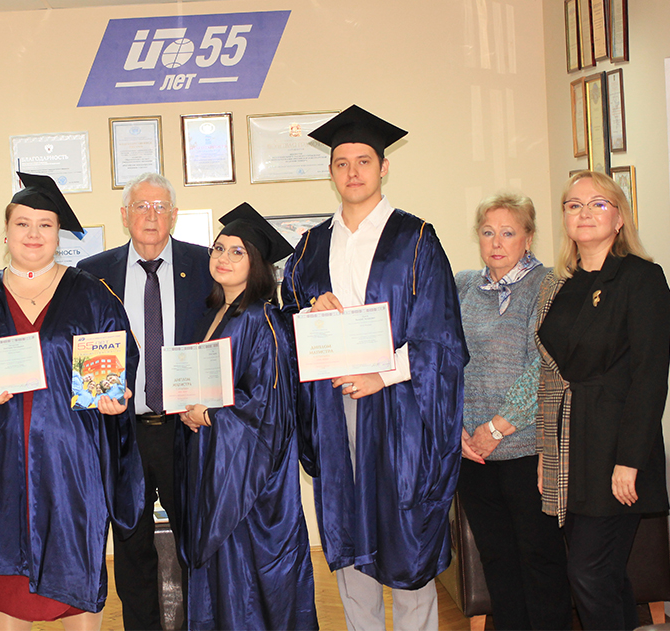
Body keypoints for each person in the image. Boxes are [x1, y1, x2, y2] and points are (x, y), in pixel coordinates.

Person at [281, 105, 468, 631]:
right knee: (348, 531)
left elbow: (441, 336)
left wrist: (380, 375)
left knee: (405, 533)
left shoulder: (416, 238)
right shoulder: (312, 244)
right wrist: (309, 308)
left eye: (364, 161)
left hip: (402, 406)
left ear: (384, 167)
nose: (353, 172)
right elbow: (286, 315)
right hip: (333, 405)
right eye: (342, 163)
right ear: (331, 172)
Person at [0, 172, 144, 631]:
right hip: (0, 471)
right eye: (22, 224)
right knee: (8, 586)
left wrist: (115, 399)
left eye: (45, 224)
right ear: (6, 232)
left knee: (77, 576)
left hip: (71, 470)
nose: (33, 234)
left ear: (58, 233)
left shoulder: (92, 296)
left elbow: (120, 361)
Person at [535, 170, 669, 630]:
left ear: (619, 218)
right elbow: (551, 376)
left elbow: (650, 377)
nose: (585, 213)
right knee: (604, 573)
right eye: (574, 205)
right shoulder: (561, 284)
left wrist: (629, 460)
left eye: (598, 204)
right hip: (572, 446)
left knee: (588, 572)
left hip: (617, 447)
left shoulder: (642, 278)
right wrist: (547, 453)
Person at [77, 172, 212, 630]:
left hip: (185, 429)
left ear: (173, 215)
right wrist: (96, 392)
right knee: (131, 545)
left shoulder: (205, 264)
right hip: (123, 432)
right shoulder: (92, 272)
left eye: (160, 207)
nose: (151, 216)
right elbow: (80, 343)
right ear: (124, 215)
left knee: (196, 541)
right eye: (141, 206)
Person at [175, 203, 317, 630]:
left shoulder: (263, 320)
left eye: (237, 251)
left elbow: (269, 410)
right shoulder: (215, 313)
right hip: (215, 467)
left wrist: (210, 416)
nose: (224, 257)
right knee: (219, 580)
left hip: (248, 484)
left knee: (247, 583)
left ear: (256, 264)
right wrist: (191, 410)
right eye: (219, 248)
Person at [454, 193, 572, 630]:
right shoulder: (463, 286)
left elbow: (545, 366)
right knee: (497, 560)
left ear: (529, 237)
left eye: (508, 232)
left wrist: (495, 428)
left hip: (527, 450)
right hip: (472, 454)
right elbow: (445, 359)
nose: (497, 242)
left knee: (540, 560)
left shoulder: (549, 285)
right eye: (488, 232)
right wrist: (456, 428)